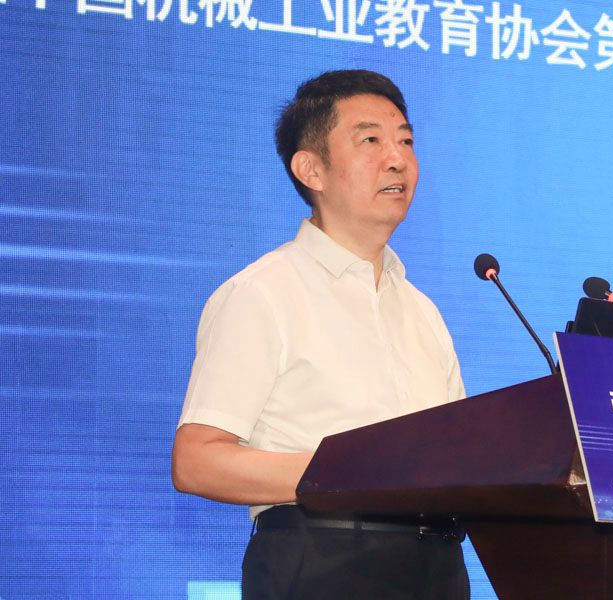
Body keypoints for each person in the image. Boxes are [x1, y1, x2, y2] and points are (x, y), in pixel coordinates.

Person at [171, 69, 470, 599]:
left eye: (405, 141)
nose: (397, 159)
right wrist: (350, 471)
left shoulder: (423, 311)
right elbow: (197, 461)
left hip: (438, 564)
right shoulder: (263, 293)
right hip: (323, 559)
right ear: (311, 169)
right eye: (371, 140)